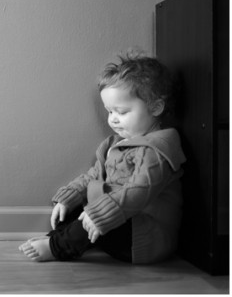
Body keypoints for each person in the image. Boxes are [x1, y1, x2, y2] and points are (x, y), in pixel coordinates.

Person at [20, 54, 185, 264]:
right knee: (73, 210)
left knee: (94, 213)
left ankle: (58, 246)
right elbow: (94, 176)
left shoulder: (157, 150)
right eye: (109, 111)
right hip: (120, 222)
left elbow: (137, 193)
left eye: (122, 112)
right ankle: (63, 239)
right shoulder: (114, 144)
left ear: (155, 108)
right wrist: (69, 198)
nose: (113, 119)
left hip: (144, 237)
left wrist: (98, 214)